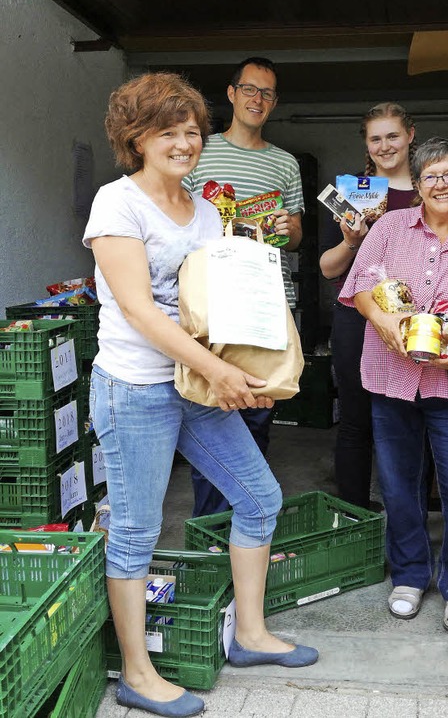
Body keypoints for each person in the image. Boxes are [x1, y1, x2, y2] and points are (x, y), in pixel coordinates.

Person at [84, 73, 317, 718]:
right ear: (137, 138)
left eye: (192, 131)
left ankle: (249, 633)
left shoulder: (206, 210)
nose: (185, 142)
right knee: (135, 531)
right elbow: (139, 310)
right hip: (135, 388)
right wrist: (215, 373)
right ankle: (138, 673)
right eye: (169, 132)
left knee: (260, 497)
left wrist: (250, 366)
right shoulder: (117, 204)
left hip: (193, 384)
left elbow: (220, 304)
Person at [339, 137, 448, 630]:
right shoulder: (391, 227)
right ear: (416, 185)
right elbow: (357, 289)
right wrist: (383, 323)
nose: (440, 184)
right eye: (430, 176)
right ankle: (411, 575)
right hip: (390, 375)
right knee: (399, 485)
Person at [183, 56, 304, 517]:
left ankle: (247, 527)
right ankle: (211, 533)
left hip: (268, 303)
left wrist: (284, 225)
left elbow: (295, 237)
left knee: (257, 414)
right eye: (250, 89)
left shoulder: (285, 163)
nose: (258, 100)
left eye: (268, 93)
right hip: (214, 303)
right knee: (211, 416)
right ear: (231, 94)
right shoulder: (199, 151)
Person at [319, 102, 418, 511]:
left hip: (414, 316)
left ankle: (409, 515)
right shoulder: (349, 194)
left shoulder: (430, 188)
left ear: (410, 135)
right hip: (355, 316)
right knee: (356, 421)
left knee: (413, 419)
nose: (385, 145)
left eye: (392, 135)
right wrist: (351, 241)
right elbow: (327, 269)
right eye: (375, 138)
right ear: (366, 143)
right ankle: (355, 515)